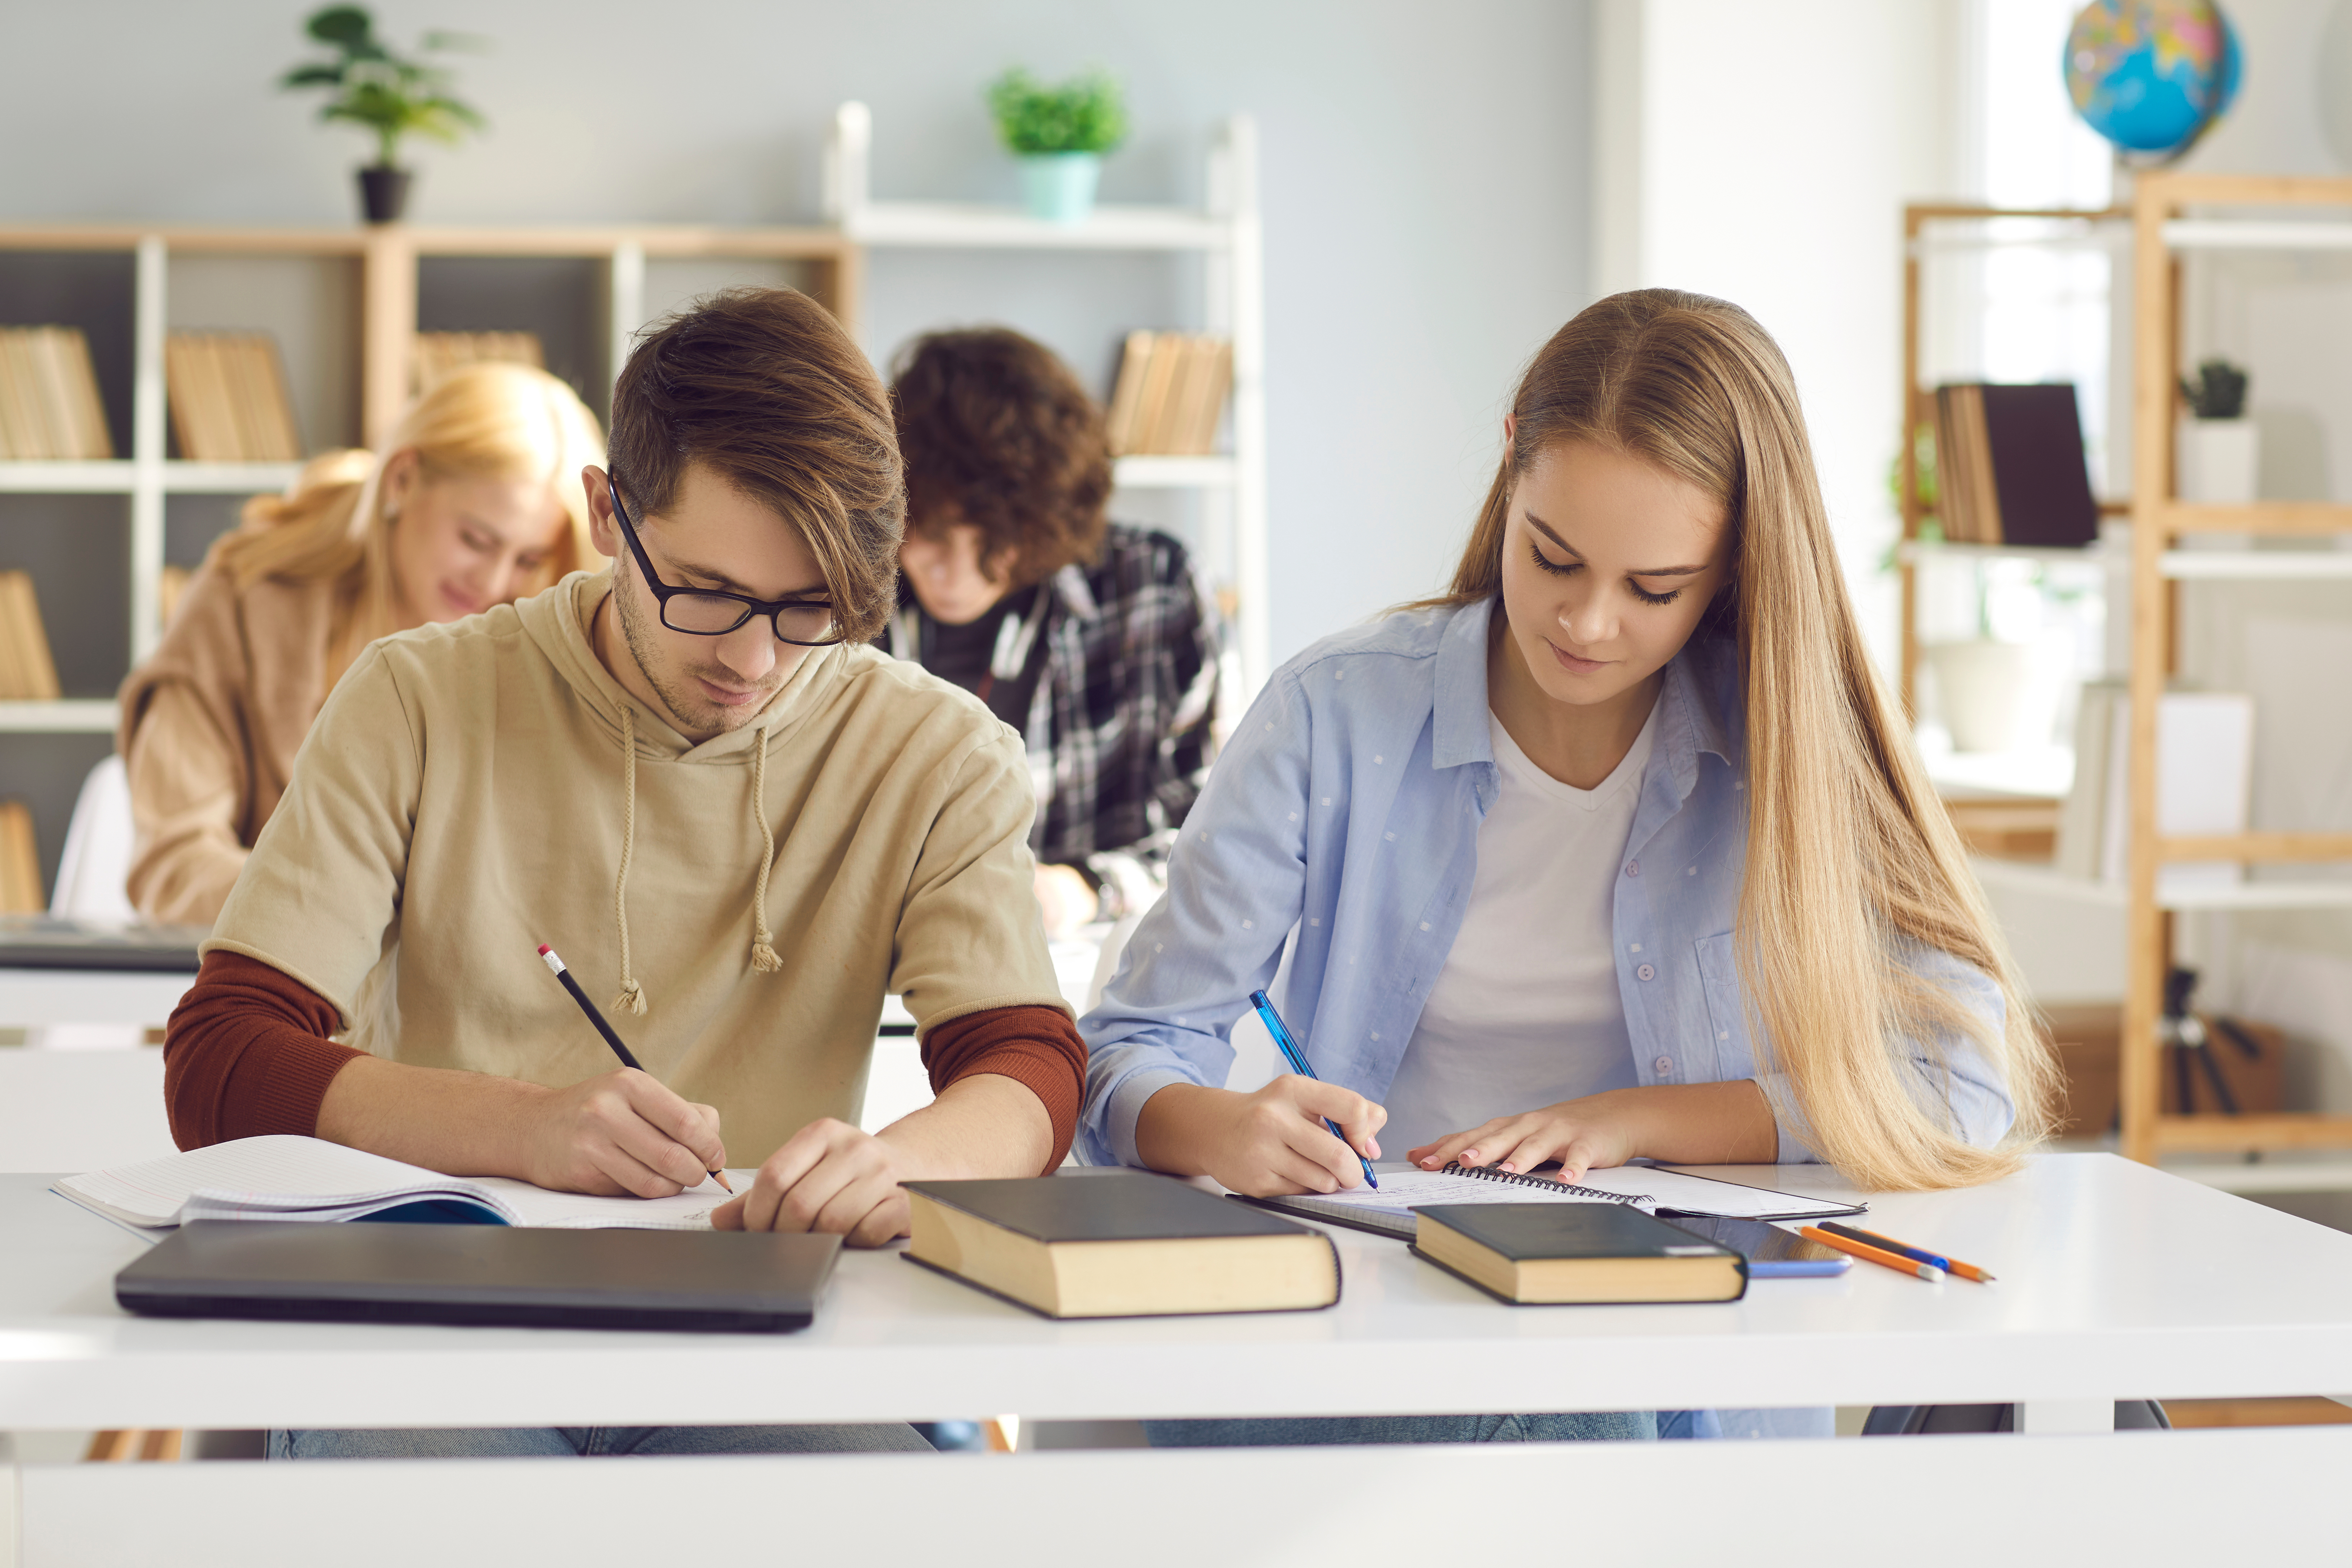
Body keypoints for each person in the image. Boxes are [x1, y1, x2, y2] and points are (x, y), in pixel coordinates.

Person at [1078, 288, 2059, 1447]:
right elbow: (1125, 1049)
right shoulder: (1332, 713)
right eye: (1553, 557)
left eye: (1656, 589)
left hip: (1698, 1360)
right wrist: (1215, 1125)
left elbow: (1963, 1080)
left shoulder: (1790, 742)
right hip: (1370, 1339)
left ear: (1737, 560)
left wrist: (1634, 1120)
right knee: (1580, 1422)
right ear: (1511, 467)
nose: (1589, 624)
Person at [162, 288, 1087, 1459]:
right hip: (440, 1321)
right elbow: (221, 1061)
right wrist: (524, 1126)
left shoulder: (940, 753)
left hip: (767, 1339)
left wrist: (897, 1162)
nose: (754, 660)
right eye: (703, 590)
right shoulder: (417, 698)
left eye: (810, 609)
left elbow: (1033, 1064)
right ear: (606, 514)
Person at [118, 363, 608, 926]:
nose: (495, 583)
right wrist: (366, 910)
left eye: (527, 560)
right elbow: (175, 867)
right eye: (476, 539)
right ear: (402, 480)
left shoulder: (555, 645)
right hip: (272, 992)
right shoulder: (242, 597)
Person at [885, 327, 1219, 940]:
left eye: (993, 539)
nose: (956, 573)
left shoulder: (1152, 585)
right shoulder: (843, 599)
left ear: (1039, 523)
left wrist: (1082, 891)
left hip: (1077, 970)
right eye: (928, 531)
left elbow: (1216, 845)